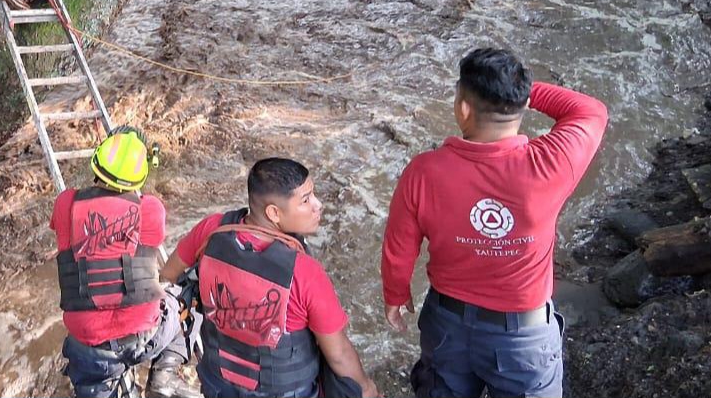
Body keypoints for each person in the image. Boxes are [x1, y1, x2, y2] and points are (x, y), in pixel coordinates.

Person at [380, 47, 609, 397]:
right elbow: (590, 111)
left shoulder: (424, 171)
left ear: (464, 108)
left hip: (447, 327)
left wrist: (395, 293)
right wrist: (519, 91)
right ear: (517, 106)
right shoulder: (552, 163)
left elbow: (399, 246)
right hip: (522, 337)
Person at [162, 158, 379, 398]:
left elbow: (168, 278)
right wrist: (367, 388)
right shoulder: (304, 272)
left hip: (218, 385)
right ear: (274, 212)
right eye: (306, 200)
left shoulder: (211, 230)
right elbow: (338, 355)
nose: (318, 205)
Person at [52, 127, 196, 398]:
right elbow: (147, 237)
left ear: (96, 163)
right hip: (143, 337)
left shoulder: (65, 204)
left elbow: (63, 234)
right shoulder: (151, 209)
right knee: (186, 298)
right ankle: (163, 376)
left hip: (89, 348)